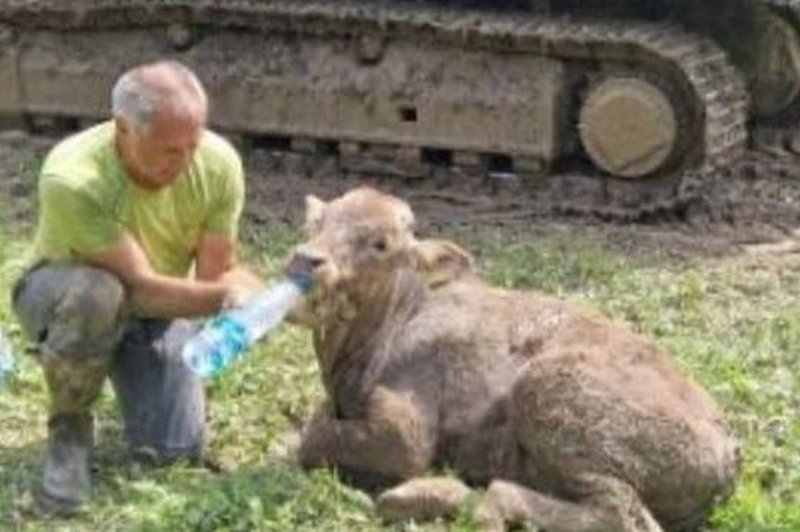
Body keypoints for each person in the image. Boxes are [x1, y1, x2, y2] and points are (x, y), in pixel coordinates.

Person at [11, 60, 263, 516]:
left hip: (157, 310)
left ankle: (132, 366)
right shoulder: (73, 177)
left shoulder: (218, 163)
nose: (185, 161)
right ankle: (69, 433)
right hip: (62, 294)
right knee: (99, 294)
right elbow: (140, 287)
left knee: (170, 451)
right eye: (169, 149)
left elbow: (212, 277)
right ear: (123, 129)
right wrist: (232, 296)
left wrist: (245, 289)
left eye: (193, 143)